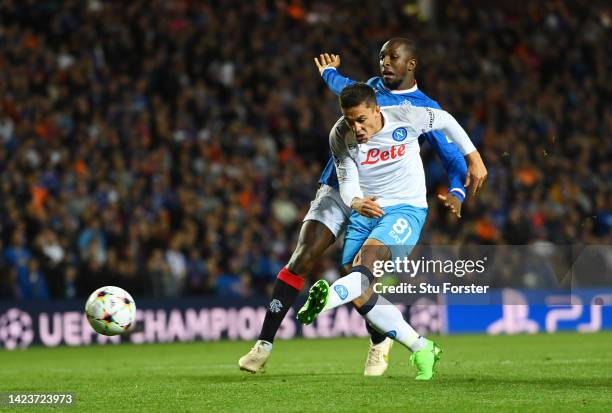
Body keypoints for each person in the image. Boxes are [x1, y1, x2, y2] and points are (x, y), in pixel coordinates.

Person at [239, 37, 487, 375]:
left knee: (360, 274)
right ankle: (264, 344)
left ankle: (378, 338)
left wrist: (458, 189)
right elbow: (345, 88)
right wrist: (328, 74)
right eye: (382, 56)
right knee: (303, 256)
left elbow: (451, 150)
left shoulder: (419, 110)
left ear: (411, 64)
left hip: (387, 199)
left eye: (392, 57)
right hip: (343, 187)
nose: (384, 62)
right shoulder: (365, 96)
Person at [297, 82, 485, 380]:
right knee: (360, 290)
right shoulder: (339, 135)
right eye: (349, 120)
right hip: (365, 211)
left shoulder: (406, 116)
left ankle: (326, 301)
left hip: (405, 209)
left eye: (361, 119)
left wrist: (473, 157)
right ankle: (421, 346)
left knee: (363, 268)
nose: (356, 127)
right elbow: (346, 183)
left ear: (376, 110)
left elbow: (446, 119)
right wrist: (356, 201)